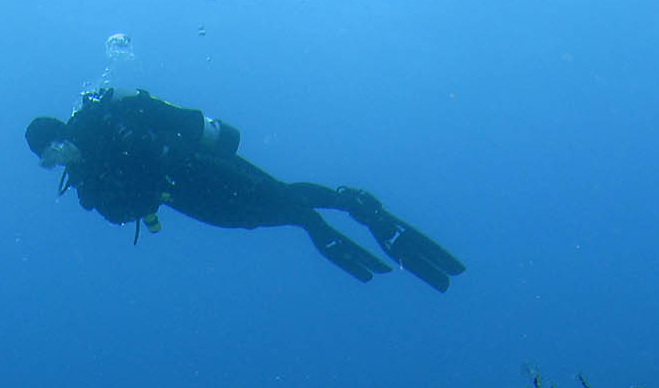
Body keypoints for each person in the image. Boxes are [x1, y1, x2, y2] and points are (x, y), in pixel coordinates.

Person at [25, 89, 464, 291]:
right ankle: (315, 221)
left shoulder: (104, 123)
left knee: (275, 195)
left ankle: (353, 205)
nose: (58, 162)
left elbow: (168, 129)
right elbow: (121, 212)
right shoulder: (85, 178)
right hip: (183, 197)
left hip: (201, 167)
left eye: (55, 151)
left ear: (61, 134)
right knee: (255, 217)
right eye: (49, 162)